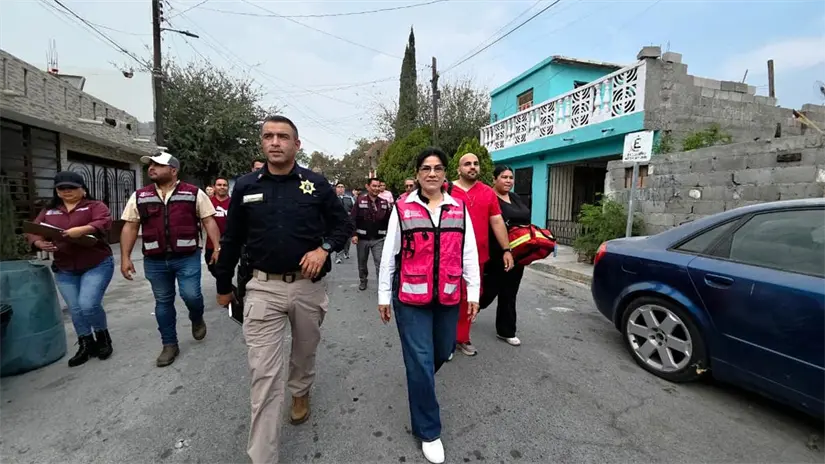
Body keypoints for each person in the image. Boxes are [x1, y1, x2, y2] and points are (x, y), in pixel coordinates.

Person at [214, 115, 352, 464]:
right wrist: (223, 284)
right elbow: (231, 239)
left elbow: (342, 226)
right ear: (262, 142)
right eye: (268, 136)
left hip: (307, 288)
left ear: (296, 144)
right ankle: (263, 457)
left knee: (304, 352)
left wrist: (323, 250)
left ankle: (301, 390)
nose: (275, 142)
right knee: (264, 375)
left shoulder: (316, 184)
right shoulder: (245, 186)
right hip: (262, 288)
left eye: (283, 136)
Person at [378, 147, 480, 464]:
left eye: (437, 168)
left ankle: (418, 380)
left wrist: (474, 292)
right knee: (421, 362)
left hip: (448, 295)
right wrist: (383, 295)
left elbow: (469, 253)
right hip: (410, 298)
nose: (432, 173)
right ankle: (429, 431)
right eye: (426, 168)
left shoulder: (458, 208)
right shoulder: (402, 208)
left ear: (445, 173)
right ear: (418, 174)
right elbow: (389, 255)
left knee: (441, 351)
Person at [119, 152, 222, 367]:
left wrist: (216, 247)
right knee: (163, 302)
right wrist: (125, 257)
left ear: (173, 170)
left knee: (191, 295)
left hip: (187, 256)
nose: (151, 168)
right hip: (154, 260)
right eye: (150, 165)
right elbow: (130, 226)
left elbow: (208, 220)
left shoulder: (193, 193)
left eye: (158, 165)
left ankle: (196, 317)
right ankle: (169, 344)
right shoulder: (140, 196)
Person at [26, 171, 115, 367]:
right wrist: (39, 243)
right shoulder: (49, 211)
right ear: (57, 191)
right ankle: (86, 343)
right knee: (75, 309)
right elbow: (34, 229)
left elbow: (103, 221)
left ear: (83, 190)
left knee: (88, 304)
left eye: (72, 188)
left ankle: (102, 337)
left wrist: (83, 229)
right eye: (62, 188)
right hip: (65, 267)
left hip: (96, 263)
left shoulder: (94, 206)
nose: (67, 191)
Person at [448, 153, 514, 357]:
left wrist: (506, 249)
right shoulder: (446, 190)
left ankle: (462, 338)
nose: (472, 167)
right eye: (467, 164)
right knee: (447, 297)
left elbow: (497, 221)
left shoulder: (487, 192)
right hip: (448, 256)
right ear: (458, 169)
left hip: (477, 257)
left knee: (470, 297)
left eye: (475, 164)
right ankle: (446, 340)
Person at [479, 166, 531, 346]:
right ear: (494, 179)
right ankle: (466, 313)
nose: (508, 181)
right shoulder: (488, 197)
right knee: (487, 291)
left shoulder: (515, 198)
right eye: (504, 177)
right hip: (495, 253)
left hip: (517, 252)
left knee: (510, 292)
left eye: (511, 177)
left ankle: (506, 330)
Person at [351, 177, 391, 291]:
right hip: (362, 239)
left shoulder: (384, 203)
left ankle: (381, 285)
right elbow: (352, 219)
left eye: (378, 186)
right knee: (362, 263)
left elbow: (389, 221)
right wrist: (354, 234)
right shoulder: (360, 201)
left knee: (380, 263)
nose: (376, 188)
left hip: (379, 239)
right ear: (367, 187)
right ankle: (363, 280)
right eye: (374, 186)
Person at [206, 177, 231, 277]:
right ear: (214, 187)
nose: (222, 187)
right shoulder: (208, 203)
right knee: (212, 267)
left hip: (228, 244)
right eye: (219, 185)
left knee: (225, 273)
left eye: (225, 185)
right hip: (211, 244)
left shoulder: (234, 203)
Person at [335, 182, 355, 264]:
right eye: (338, 187)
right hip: (337, 223)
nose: (340, 188)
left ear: (344, 189)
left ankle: (346, 252)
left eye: (342, 187)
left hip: (348, 223)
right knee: (338, 239)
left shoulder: (349, 198)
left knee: (347, 240)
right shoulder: (333, 198)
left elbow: (354, 210)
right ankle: (338, 257)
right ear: (336, 189)